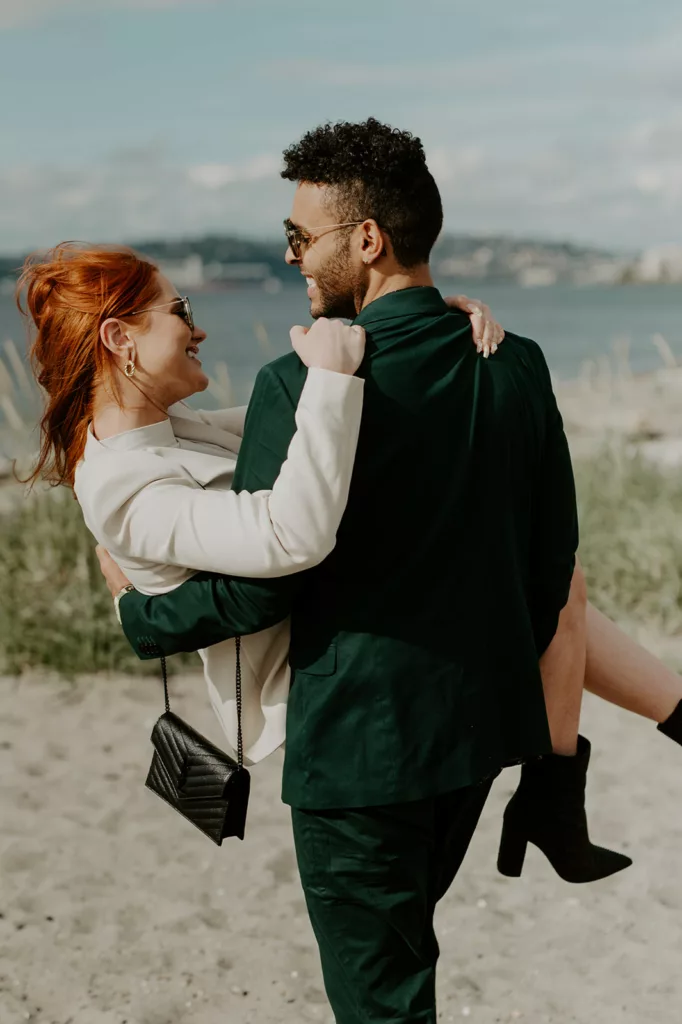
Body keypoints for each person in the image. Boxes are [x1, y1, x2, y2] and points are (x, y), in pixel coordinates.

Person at [98, 118, 629, 1022]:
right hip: (475, 741)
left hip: (360, 758)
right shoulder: (517, 364)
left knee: (381, 1002)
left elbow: (267, 576)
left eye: (302, 238)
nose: (295, 258)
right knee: (403, 962)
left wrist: (141, 621)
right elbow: (552, 567)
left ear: (368, 239)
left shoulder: (296, 386)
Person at [18, 241, 497, 764]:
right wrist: (334, 375)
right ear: (118, 337)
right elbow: (289, 537)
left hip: (354, 645)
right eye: (181, 312)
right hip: (317, 697)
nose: (198, 331)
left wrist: (418, 322)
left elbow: (296, 411)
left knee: (558, 594)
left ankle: (559, 791)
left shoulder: (172, 431)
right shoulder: (120, 486)